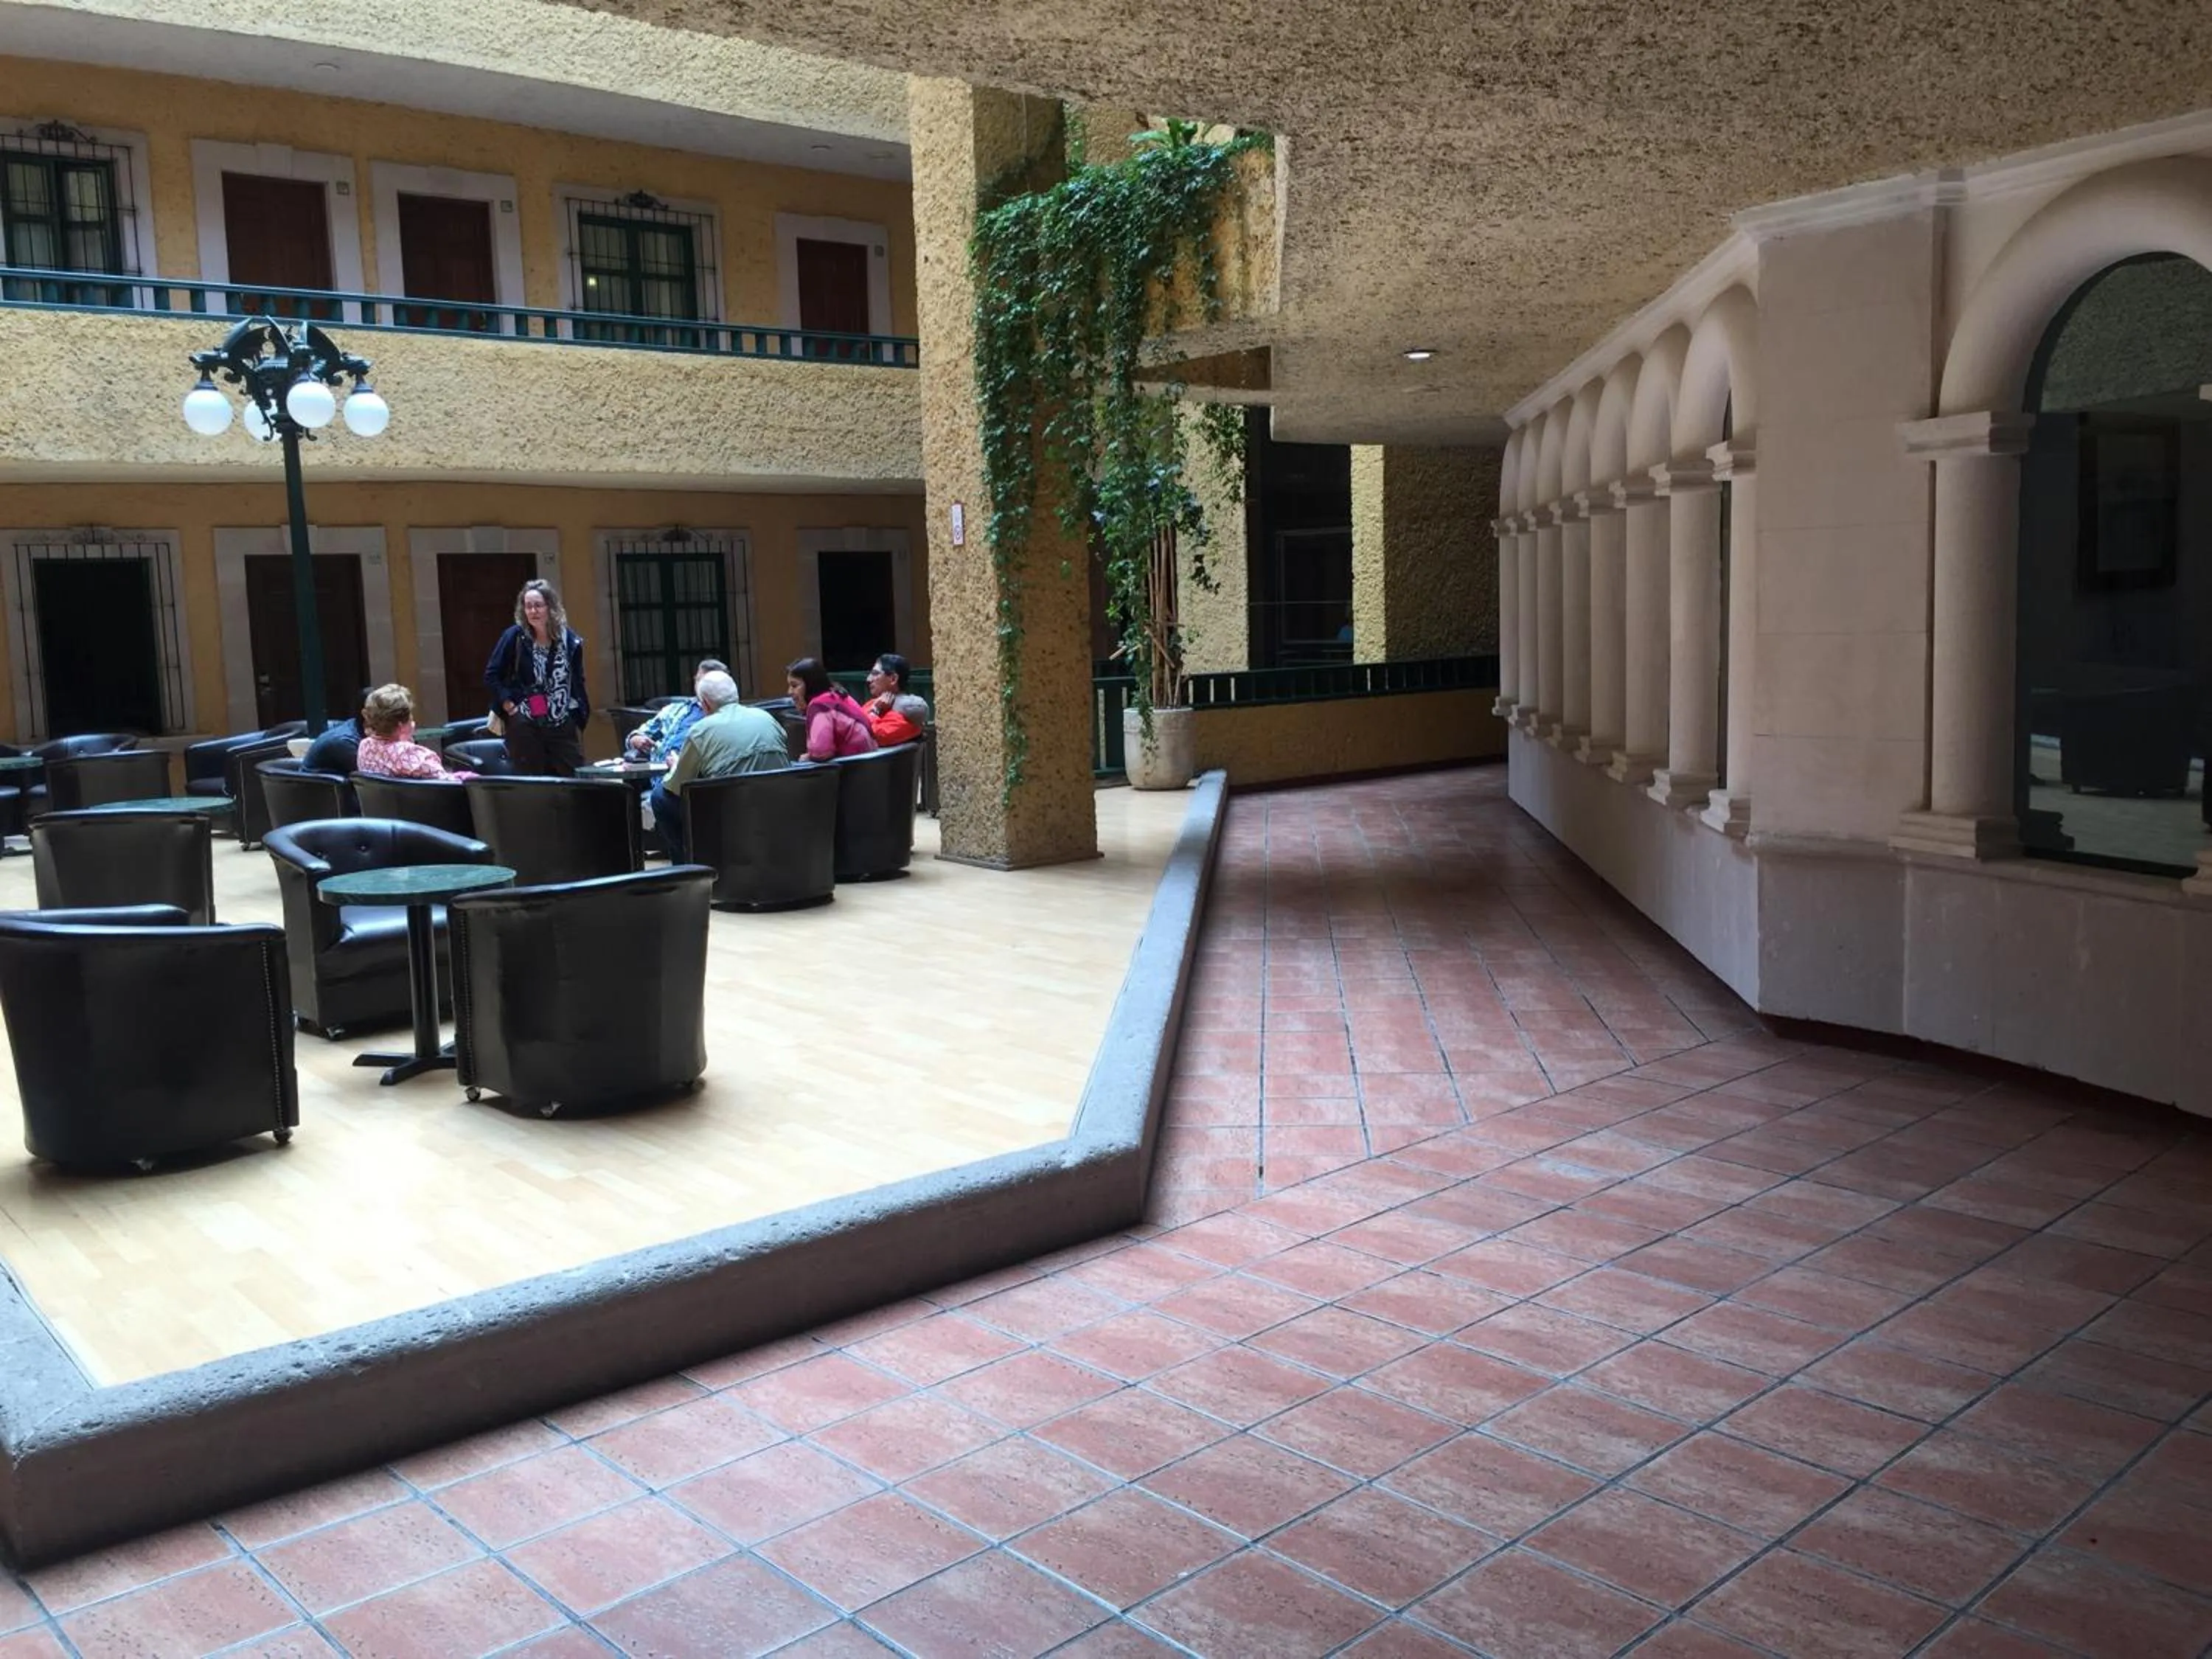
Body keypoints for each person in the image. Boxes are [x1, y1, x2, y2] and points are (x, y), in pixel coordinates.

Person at [649, 670, 787, 860]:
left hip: (729, 816)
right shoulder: (768, 719)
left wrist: (675, 766)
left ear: (705, 704)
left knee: (659, 797)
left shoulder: (700, 731)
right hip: (778, 808)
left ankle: (687, 869)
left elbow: (675, 787)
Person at [485, 578, 591, 776]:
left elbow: (577, 679)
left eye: (538, 606)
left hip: (562, 724)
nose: (533, 611)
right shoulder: (515, 636)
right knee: (533, 783)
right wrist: (509, 705)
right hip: (526, 723)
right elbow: (491, 675)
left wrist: (577, 713)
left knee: (576, 780)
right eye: (528, 606)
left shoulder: (568, 639)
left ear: (550, 607)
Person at [355, 684, 476, 781]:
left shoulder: (364, 746)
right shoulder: (414, 755)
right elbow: (447, 786)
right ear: (401, 724)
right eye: (410, 715)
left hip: (379, 811)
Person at [625, 658, 728, 763]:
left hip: (692, 774)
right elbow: (640, 733)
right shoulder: (675, 709)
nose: (701, 686)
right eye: (698, 680)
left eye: (707, 682)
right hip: (657, 771)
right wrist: (635, 739)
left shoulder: (728, 716)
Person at [786, 657, 875, 761]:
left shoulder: (819, 706)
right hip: (868, 763)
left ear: (811, 684)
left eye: (794, 686)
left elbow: (820, 752)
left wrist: (808, 757)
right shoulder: (838, 694)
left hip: (855, 767)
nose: (789, 692)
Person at [859, 653, 930, 747]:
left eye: (875, 674)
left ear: (893, 679)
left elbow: (871, 736)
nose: (869, 679)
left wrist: (874, 712)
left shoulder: (907, 712)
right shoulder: (873, 703)